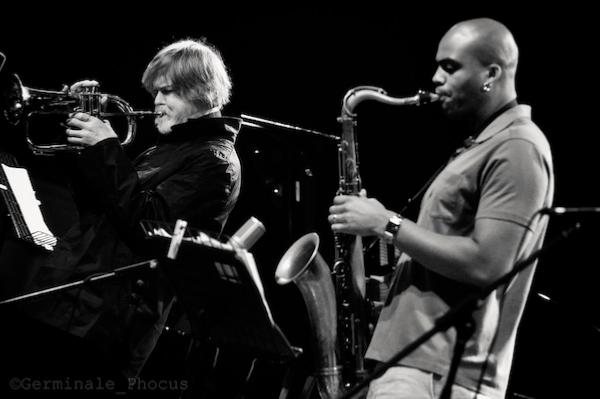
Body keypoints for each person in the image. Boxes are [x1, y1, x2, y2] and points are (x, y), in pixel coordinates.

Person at [1, 38, 241, 397]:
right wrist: (79, 132)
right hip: (67, 302)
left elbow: (147, 228)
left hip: (104, 329)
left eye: (168, 91)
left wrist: (106, 149)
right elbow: (100, 208)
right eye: (155, 92)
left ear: (203, 91)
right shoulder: (168, 149)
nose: (156, 101)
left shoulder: (216, 162)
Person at [328, 18, 554, 399]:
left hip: (439, 375)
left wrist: (387, 222)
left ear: (491, 74)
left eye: (450, 67)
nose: (435, 78)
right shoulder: (482, 144)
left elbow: (489, 264)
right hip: (415, 366)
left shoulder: (518, 147)